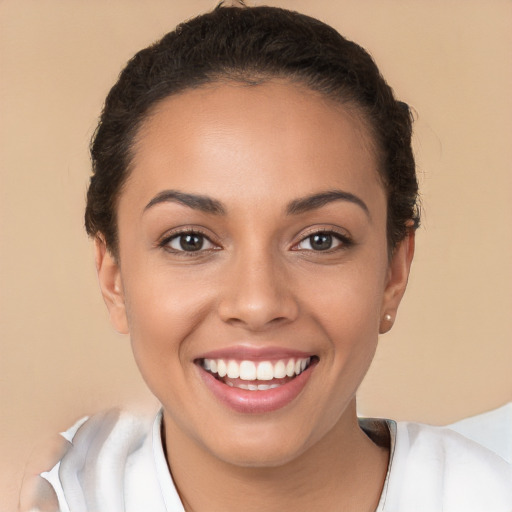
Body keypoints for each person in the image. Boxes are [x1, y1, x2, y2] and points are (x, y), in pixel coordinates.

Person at [19, 3, 512, 511]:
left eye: (321, 240)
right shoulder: (56, 489)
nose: (257, 304)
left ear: (393, 271)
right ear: (114, 278)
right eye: (190, 241)